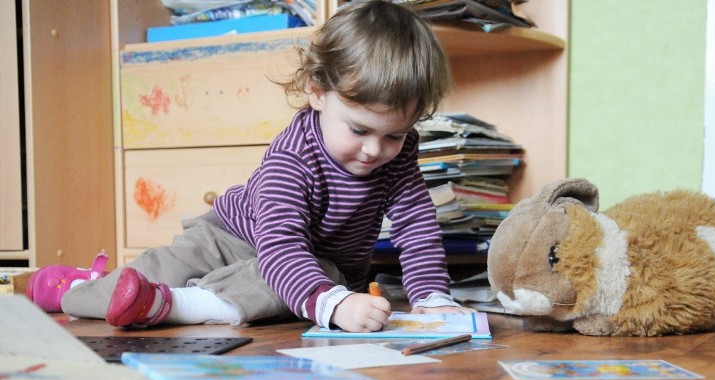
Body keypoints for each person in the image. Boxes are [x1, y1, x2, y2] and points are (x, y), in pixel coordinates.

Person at [27, 0, 473, 333]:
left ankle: (176, 305)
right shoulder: (293, 158)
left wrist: (433, 298)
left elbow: (417, 227)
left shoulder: (399, 153)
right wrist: (334, 306)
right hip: (230, 237)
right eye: (358, 130)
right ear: (317, 92)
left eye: (393, 135)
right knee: (148, 273)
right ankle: (73, 287)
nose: (376, 150)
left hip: (311, 265)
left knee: (304, 282)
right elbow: (280, 247)